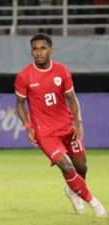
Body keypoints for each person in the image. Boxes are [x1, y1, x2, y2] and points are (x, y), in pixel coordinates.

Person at [15, 33, 107, 217]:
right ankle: (94, 202)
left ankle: (71, 190)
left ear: (51, 49)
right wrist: (28, 126)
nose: (39, 52)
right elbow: (20, 104)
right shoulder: (24, 76)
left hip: (67, 127)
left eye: (43, 48)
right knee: (67, 167)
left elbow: (72, 99)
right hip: (45, 133)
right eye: (35, 49)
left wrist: (78, 123)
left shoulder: (62, 71)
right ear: (31, 51)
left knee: (82, 167)